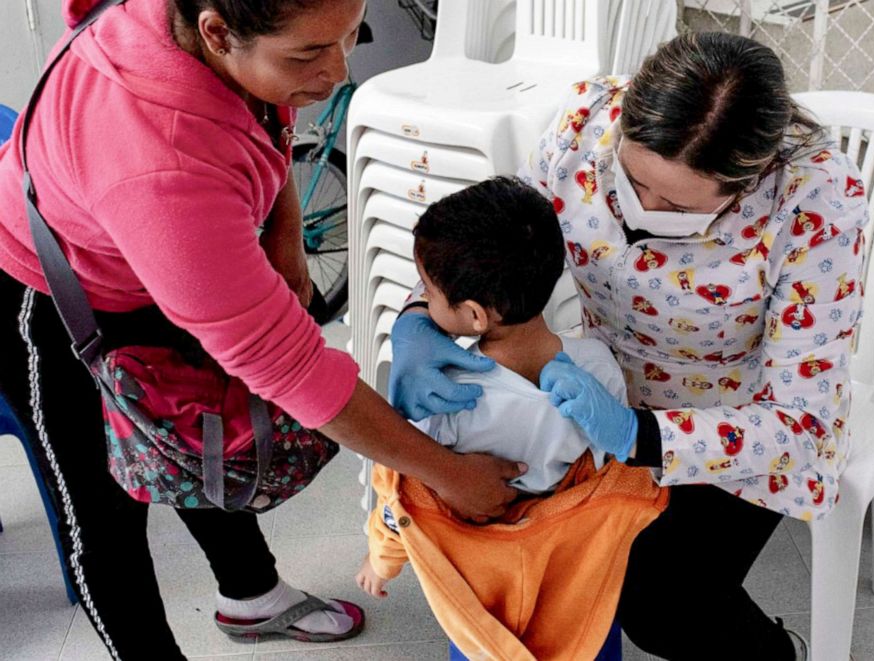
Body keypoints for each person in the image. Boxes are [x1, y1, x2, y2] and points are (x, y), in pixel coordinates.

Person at [0, 1, 523, 659]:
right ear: (217, 31)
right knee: (103, 517)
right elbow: (294, 368)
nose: (336, 70)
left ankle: (251, 595)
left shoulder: (209, 28)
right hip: (46, 293)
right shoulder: (162, 164)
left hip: (145, 258)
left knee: (203, 430)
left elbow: (265, 110)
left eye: (348, 37)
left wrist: (285, 227)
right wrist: (450, 473)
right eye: (307, 55)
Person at [388, 32, 869, 661]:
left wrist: (638, 435)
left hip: (740, 427)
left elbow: (802, 422)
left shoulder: (816, 201)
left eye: (674, 203)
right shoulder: (585, 125)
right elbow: (497, 245)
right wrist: (417, 318)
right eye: (634, 179)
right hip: (603, 384)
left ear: (746, 184)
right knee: (558, 566)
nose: (642, 210)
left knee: (662, 602)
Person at [355, 177, 667, 660]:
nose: (424, 303)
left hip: (485, 583)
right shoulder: (596, 365)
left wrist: (382, 560)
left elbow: (406, 498)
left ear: (476, 315)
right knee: (590, 641)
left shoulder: (442, 393)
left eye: (430, 294)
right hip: (576, 573)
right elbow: (610, 468)